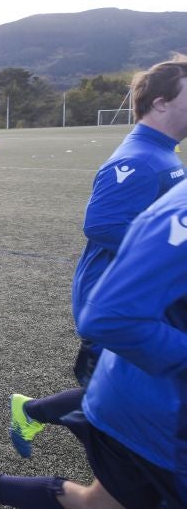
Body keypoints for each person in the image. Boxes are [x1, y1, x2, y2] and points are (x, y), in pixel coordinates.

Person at [0, 177, 187, 509]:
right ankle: (25, 418)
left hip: (144, 403)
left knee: (94, 503)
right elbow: (107, 305)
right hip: (155, 412)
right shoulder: (149, 169)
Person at [71, 55, 187, 386]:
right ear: (161, 103)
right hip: (115, 301)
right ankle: (34, 412)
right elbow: (101, 225)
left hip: (147, 298)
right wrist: (172, 256)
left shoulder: (163, 152)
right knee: (109, 413)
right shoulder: (139, 160)